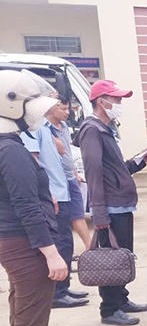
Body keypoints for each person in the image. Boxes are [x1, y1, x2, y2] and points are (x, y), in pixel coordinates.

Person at [0, 69, 85, 326]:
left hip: (13, 241)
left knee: (21, 313)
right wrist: (51, 254)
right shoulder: (12, 151)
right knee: (31, 318)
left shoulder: (9, 145)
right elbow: (25, 207)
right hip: (24, 243)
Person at [76, 80, 147, 326]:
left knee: (122, 256)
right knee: (110, 258)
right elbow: (94, 172)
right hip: (109, 206)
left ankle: (120, 298)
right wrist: (98, 212)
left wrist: (139, 162)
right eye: (116, 99)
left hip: (121, 204)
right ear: (102, 101)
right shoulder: (92, 130)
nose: (119, 104)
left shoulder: (105, 129)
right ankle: (109, 309)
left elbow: (115, 170)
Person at [23, 91, 89, 309]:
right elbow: (34, 163)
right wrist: (46, 192)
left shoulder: (48, 128)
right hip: (52, 194)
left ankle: (64, 286)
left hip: (62, 191)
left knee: (65, 242)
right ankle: (57, 293)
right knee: (59, 242)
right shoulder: (33, 130)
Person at [50, 96, 92, 253]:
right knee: (60, 220)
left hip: (70, 177)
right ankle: (64, 254)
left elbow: (67, 151)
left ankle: (90, 248)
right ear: (51, 108)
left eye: (68, 108)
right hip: (55, 181)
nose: (67, 112)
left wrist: (74, 173)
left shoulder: (64, 127)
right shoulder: (43, 129)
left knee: (78, 213)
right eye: (63, 108)